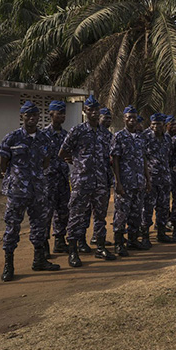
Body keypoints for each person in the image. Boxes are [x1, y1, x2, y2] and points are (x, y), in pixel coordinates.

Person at [0, 101, 60, 281]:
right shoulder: (12, 138)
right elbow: (2, 163)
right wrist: (13, 176)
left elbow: (46, 161)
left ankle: (39, 260)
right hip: (17, 191)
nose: (32, 118)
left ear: (39, 117)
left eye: (35, 115)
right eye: (28, 115)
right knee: (12, 227)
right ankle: (9, 265)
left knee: (39, 226)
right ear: (22, 117)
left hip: (38, 191)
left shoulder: (44, 139)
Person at [60, 95, 116, 266]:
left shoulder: (105, 134)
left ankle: (100, 247)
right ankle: (73, 251)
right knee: (76, 216)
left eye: (96, 110)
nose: (93, 113)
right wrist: (76, 162)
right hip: (81, 182)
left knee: (100, 216)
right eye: (90, 109)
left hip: (100, 182)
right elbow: (63, 152)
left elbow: (110, 157)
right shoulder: (77, 131)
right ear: (85, 111)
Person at [111, 106, 151, 255]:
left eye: (134, 117)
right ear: (124, 119)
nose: (132, 120)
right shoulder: (119, 136)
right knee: (121, 213)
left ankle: (133, 240)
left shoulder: (141, 138)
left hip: (139, 182)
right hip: (125, 183)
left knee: (136, 213)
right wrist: (118, 182)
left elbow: (144, 160)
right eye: (129, 117)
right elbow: (115, 160)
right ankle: (119, 243)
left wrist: (148, 179)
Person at [142, 113, 175, 245]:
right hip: (151, 178)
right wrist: (146, 178)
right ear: (150, 124)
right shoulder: (145, 137)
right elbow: (141, 158)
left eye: (159, 124)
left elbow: (169, 156)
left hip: (165, 178)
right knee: (147, 207)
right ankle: (145, 236)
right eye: (153, 124)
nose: (156, 126)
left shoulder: (167, 139)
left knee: (163, 207)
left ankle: (161, 233)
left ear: (163, 125)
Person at [43, 100, 71, 255]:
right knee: (46, 212)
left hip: (62, 178)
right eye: (59, 113)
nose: (62, 116)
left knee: (63, 211)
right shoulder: (43, 135)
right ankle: (43, 245)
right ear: (51, 114)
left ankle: (60, 241)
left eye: (63, 113)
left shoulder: (67, 135)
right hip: (48, 179)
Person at [91, 106, 113, 247]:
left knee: (101, 211)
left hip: (104, 179)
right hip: (87, 180)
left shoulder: (110, 136)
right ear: (99, 118)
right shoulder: (90, 132)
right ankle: (80, 241)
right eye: (105, 117)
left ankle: (97, 238)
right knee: (84, 212)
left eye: (110, 118)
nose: (108, 121)